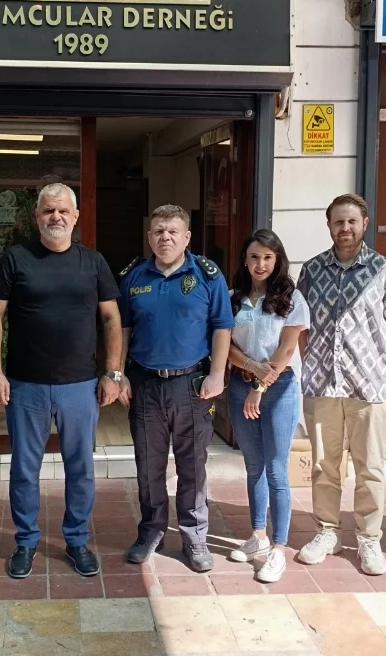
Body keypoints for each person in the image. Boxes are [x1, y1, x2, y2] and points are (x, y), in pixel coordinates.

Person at [0, 183, 122, 579]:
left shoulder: (93, 262)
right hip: (25, 385)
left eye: (62, 211)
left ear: (76, 217)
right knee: (24, 470)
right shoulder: (15, 259)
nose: (55, 217)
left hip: (79, 385)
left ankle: (76, 540)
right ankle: (26, 541)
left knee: (81, 469)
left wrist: (113, 373)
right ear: (37, 216)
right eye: (48, 211)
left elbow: (112, 318)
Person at [294, 194, 386, 577]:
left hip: (369, 385)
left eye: (351, 221)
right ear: (329, 226)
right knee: (324, 465)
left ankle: (368, 537)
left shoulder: (384, 270)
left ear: (364, 224)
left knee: (370, 467)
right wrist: (310, 363)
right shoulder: (311, 270)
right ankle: (327, 531)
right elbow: (300, 326)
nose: (345, 228)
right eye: (338, 222)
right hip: (322, 384)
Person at [119, 204, 233, 573]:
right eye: (158, 231)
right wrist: (118, 374)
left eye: (172, 231)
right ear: (149, 237)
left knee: (192, 465)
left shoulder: (206, 275)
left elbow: (222, 326)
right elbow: (122, 330)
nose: (165, 237)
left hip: (192, 385)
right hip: (145, 384)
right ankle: (151, 531)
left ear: (186, 237)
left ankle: (194, 536)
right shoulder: (134, 277)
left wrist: (217, 374)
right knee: (148, 464)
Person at [224, 229, 310, 583]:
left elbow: (287, 350)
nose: (261, 264)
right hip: (239, 386)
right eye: (254, 257)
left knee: (276, 469)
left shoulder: (292, 299)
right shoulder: (233, 298)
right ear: (245, 260)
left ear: (278, 261)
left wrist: (260, 385)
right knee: (253, 466)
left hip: (278, 389)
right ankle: (257, 535)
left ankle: (279, 547)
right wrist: (250, 369)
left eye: (268, 257)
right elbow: (225, 347)